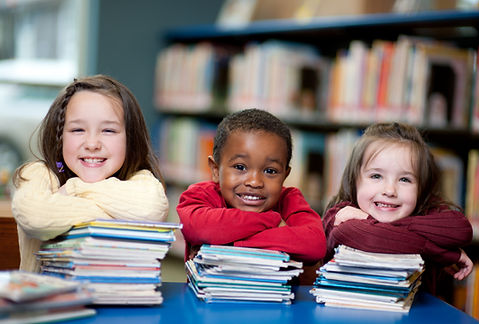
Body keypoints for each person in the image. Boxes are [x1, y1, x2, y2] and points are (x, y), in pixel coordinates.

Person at [11, 75, 169, 273]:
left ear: (130, 139)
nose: (92, 144)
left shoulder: (140, 180)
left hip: (119, 300)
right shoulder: (39, 173)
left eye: (108, 130)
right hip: (48, 302)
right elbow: (34, 216)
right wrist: (114, 218)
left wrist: (74, 188)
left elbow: (152, 208)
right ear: (59, 137)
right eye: (78, 130)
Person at [322, 122, 473, 294]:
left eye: (404, 180)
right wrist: (442, 253)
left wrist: (368, 221)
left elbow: (461, 230)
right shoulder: (339, 214)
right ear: (354, 180)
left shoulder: (422, 208)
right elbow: (370, 238)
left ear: (421, 187)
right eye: (376, 176)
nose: (389, 191)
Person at [176, 108, 326, 267]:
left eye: (270, 171)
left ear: (285, 176)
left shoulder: (289, 199)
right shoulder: (200, 194)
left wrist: (226, 243)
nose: (255, 182)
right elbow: (198, 228)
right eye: (240, 167)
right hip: (211, 292)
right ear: (215, 169)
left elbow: (314, 244)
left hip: (273, 292)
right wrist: (271, 220)